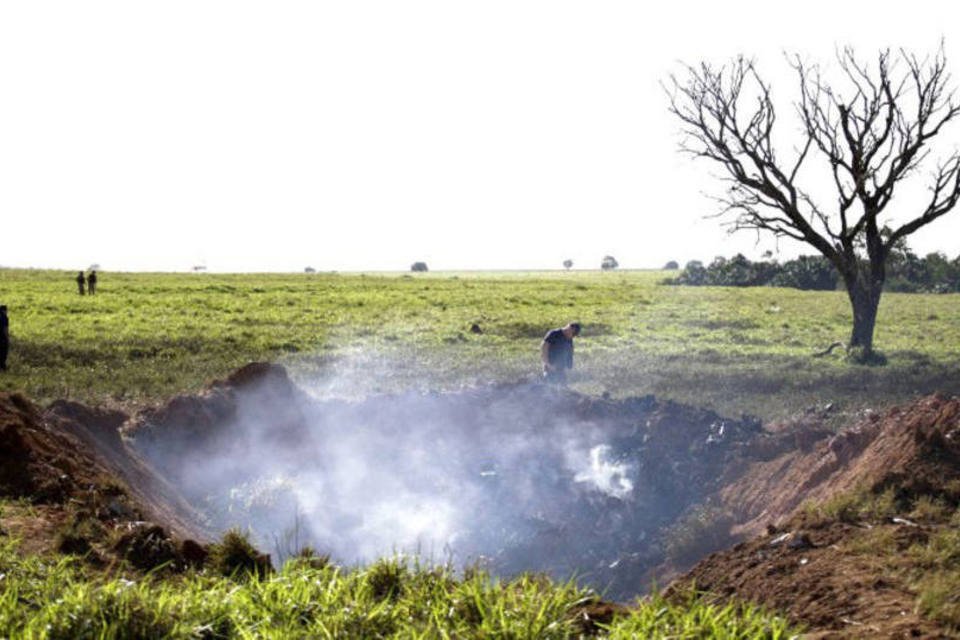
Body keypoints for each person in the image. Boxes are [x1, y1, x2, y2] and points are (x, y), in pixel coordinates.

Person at [0, 306, 9, 371]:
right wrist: (7, 338)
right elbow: (5, 329)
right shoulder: (4, 317)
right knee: (3, 353)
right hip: (2, 338)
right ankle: (3, 366)